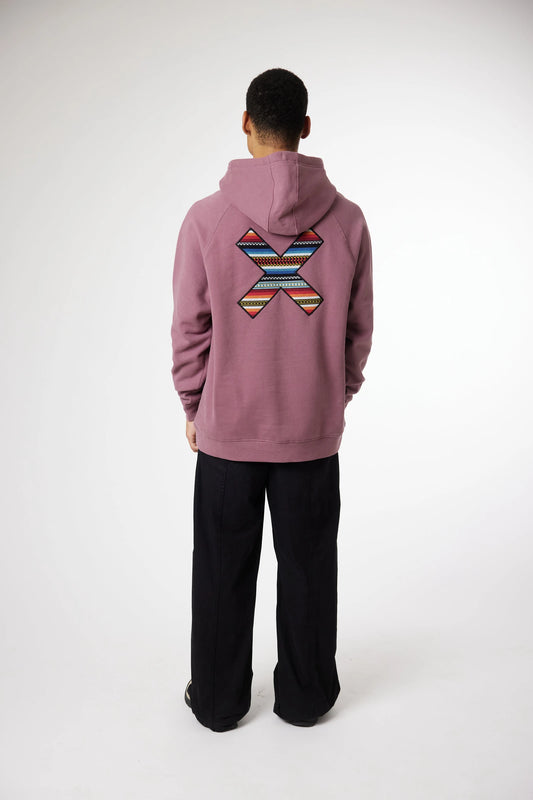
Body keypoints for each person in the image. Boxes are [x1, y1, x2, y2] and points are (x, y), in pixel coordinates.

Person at [170, 67, 374, 732]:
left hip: (227, 431)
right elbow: (358, 331)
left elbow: (189, 327)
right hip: (310, 431)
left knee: (221, 570)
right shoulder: (348, 222)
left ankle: (218, 701)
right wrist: (331, 399)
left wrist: (194, 404)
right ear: (305, 128)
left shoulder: (205, 220)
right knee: (309, 568)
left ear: (245, 124)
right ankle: (306, 698)